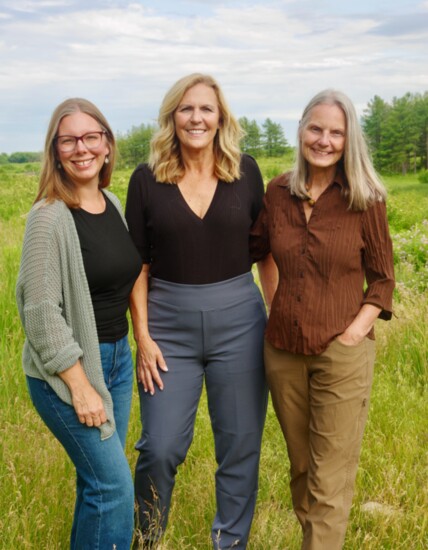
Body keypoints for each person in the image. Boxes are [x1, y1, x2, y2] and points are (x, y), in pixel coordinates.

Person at [125, 73, 270, 549]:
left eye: (206, 109)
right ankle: (146, 539)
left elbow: (264, 252)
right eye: (186, 109)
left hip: (240, 324)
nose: (196, 118)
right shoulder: (146, 180)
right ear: (172, 117)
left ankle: (230, 543)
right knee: (161, 447)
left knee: (240, 446)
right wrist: (143, 338)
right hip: (169, 327)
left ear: (221, 117)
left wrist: (277, 313)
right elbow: (138, 268)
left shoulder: (245, 171)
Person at [250, 89, 395, 550]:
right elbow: (260, 253)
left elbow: (383, 280)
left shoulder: (364, 198)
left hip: (342, 352)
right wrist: (273, 303)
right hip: (282, 351)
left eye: (336, 132)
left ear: (349, 139)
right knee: (302, 470)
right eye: (316, 128)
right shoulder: (276, 191)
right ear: (301, 130)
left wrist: (353, 332)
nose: (325, 140)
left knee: (330, 478)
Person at [16, 98, 142, 550]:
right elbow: (40, 313)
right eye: (68, 140)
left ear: (108, 145)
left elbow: (127, 278)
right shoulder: (49, 217)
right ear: (56, 151)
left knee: (98, 486)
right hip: (68, 372)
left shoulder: (110, 202)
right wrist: (80, 385)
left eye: (91, 137)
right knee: (113, 489)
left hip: (117, 362)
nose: (81, 148)